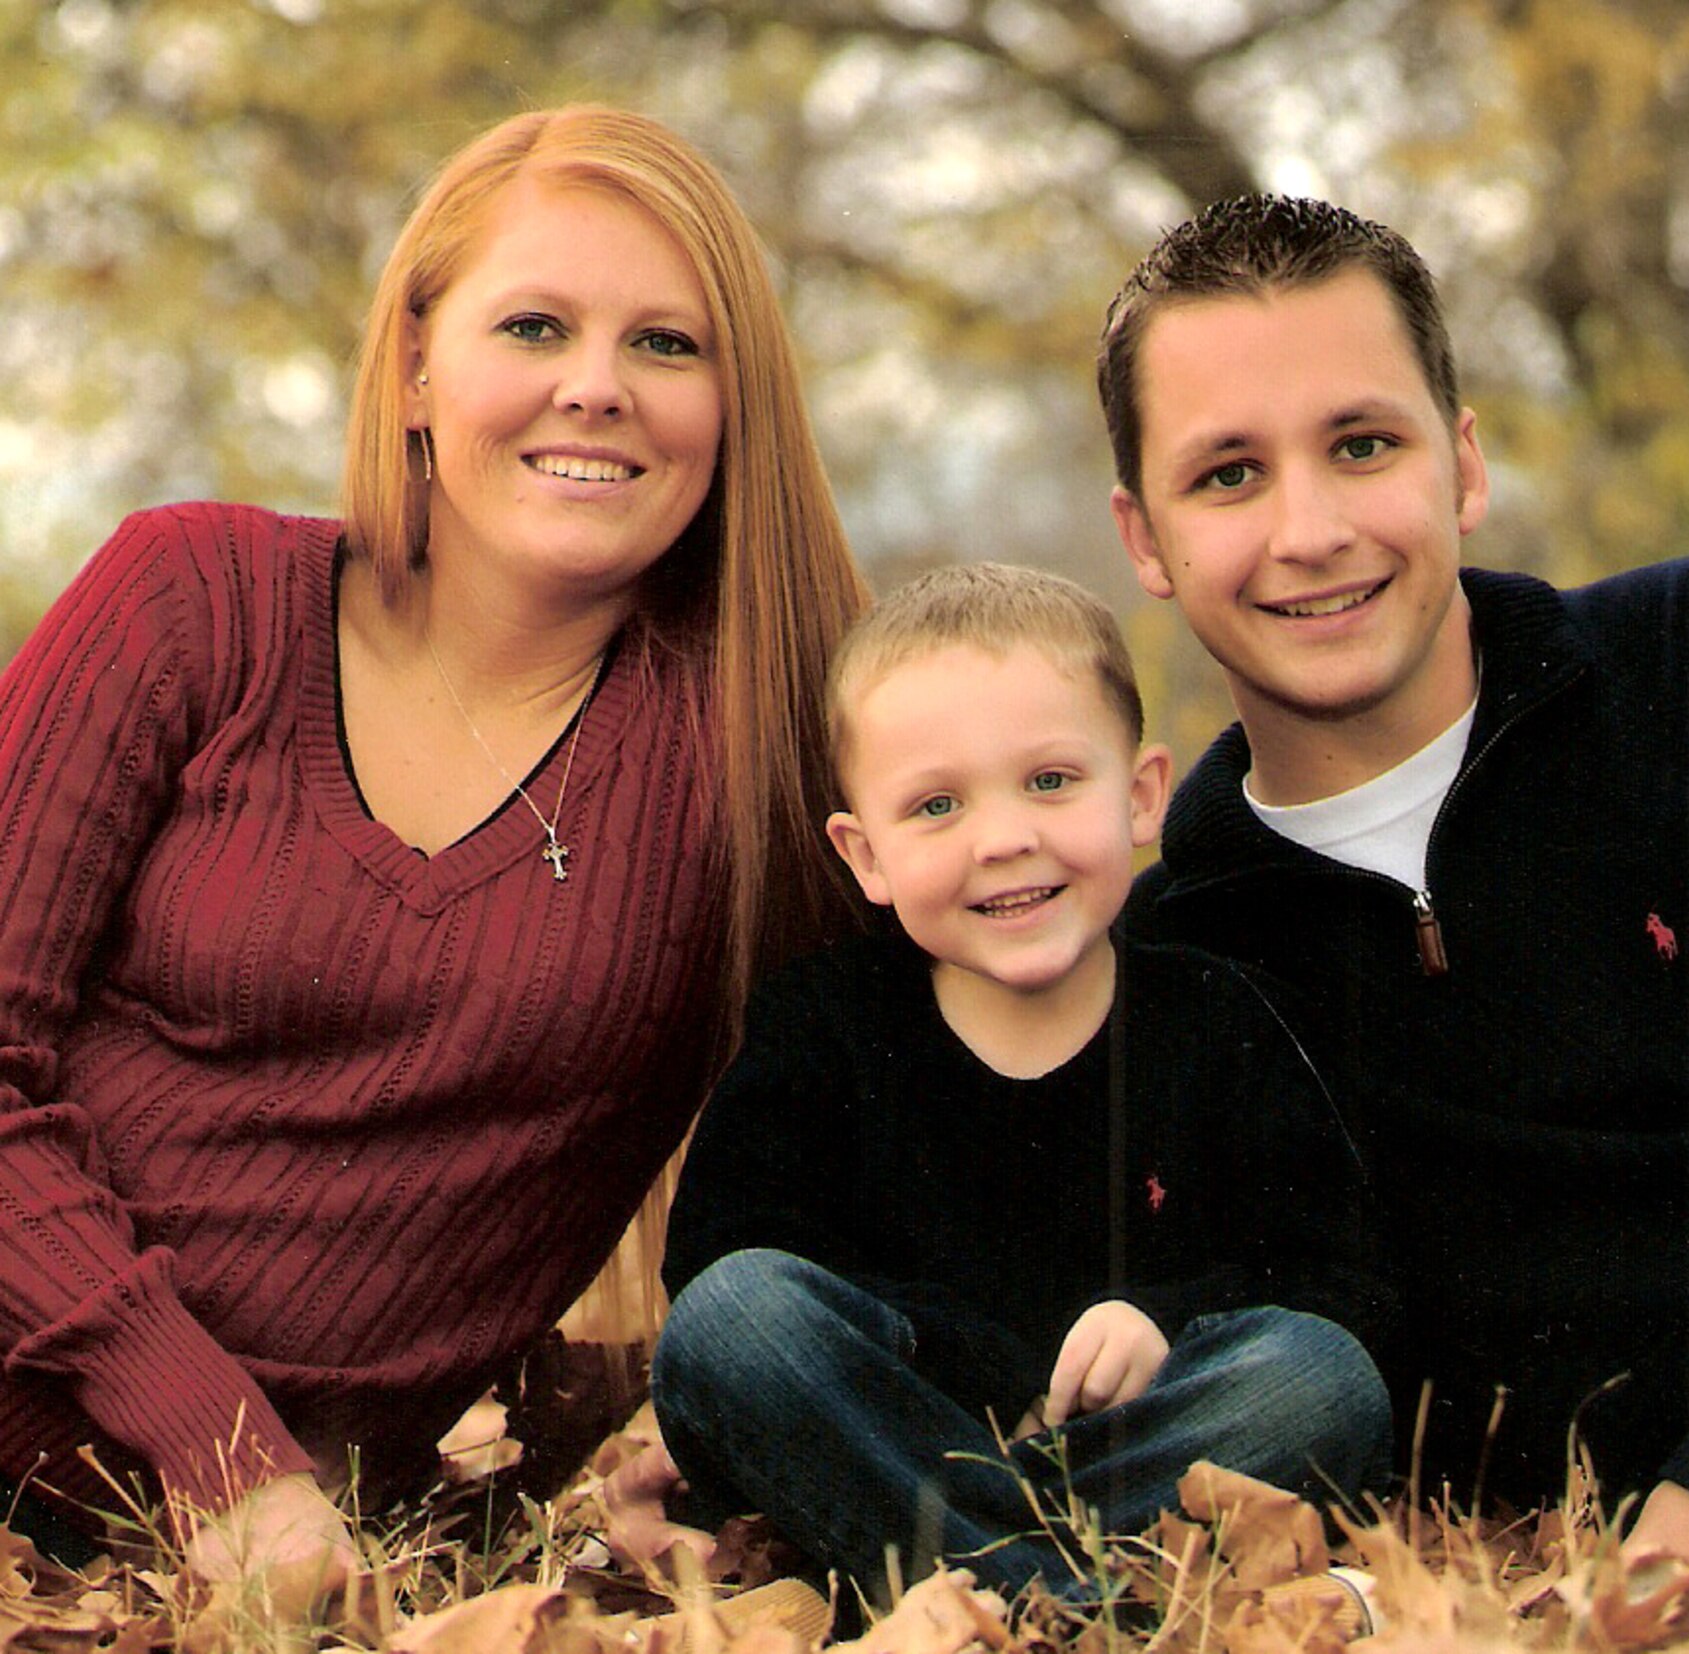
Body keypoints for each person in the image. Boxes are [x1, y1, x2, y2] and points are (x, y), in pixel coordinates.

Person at [0, 105, 867, 1586]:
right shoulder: (190, 600)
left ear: (736, 405)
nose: (595, 387)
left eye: (668, 344)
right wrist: (224, 1455)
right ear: (414, 362)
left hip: (283, 1563)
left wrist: (708, 1439)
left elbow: (910, 1132)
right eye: (534, 325)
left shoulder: (764, 754)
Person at [1097, 194, 1689, 1562]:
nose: (1309, 529)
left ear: (1462, 464)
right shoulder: (1168, 962)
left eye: (1361, 444)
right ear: (1143, 540)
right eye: (1228, 475)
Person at [649, 563, 1396, 1600]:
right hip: (895, 1433)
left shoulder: (1217, 1018)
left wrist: (1163, 1321)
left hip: (1134, 1445)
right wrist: (965, 1366)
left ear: (1140, 796)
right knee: (734, 1321)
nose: (1003, 839)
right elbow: (720, 1255)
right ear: (866, 856)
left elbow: (1334, 1275)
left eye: (1049, 781)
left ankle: (987, 1589)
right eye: (936, 805)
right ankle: (1065, 1601)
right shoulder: (825, 1022)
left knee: (1317, 1377)